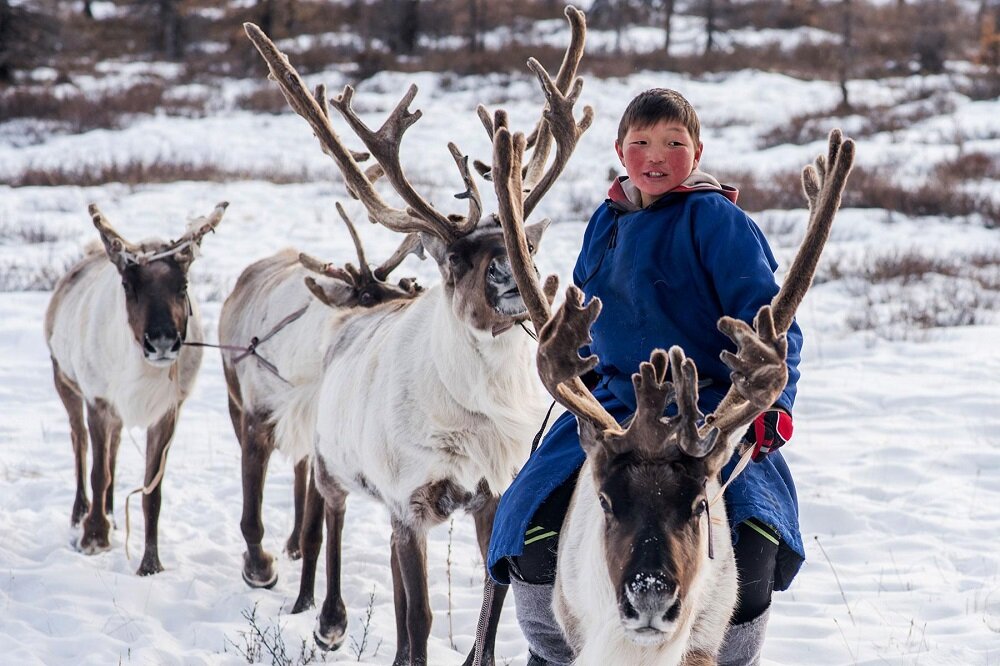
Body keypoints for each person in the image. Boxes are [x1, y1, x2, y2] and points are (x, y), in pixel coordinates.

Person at [486, 88, 804, 666]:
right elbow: (578, 317)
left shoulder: (717, 221)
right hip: (610, 409)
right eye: (641, 143)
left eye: (674, 144)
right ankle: (553, 649)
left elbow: (774, 326)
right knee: (528, 513)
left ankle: (721, 654)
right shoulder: (606, 222)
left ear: (698, 151)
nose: (656, 156)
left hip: (707, 413)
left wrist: (771, 406)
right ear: (619, 150)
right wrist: (561, 352)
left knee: (757, 535)